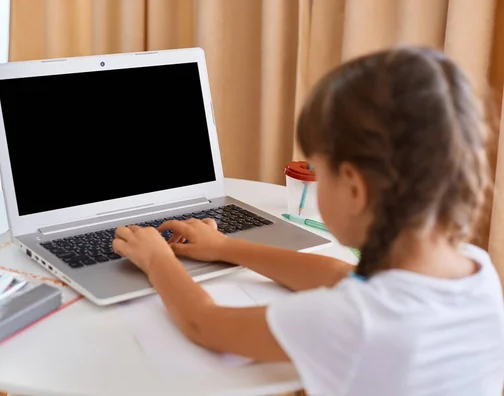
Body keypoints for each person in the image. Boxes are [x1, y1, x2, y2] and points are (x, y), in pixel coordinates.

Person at [112, 47, 504, 395]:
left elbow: (205, 324)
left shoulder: (354, 323)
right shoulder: (476, 272)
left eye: (318, 168)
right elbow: (340, 275)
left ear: (353, 186)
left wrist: (156, 258)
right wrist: (225, 247)